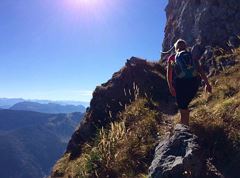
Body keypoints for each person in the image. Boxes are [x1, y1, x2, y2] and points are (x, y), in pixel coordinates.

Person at [167, 39, 212, 126]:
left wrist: (170, 86)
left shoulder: (172, 58)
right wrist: (207, 84)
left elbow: (169, 74)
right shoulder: (191, 56)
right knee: (185, 104)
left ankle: (184, 126)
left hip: (180, 83)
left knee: (182, 106)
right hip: (194, 82)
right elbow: (200, 71)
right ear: (185, 46)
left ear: (176, 48)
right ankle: (185, 125)